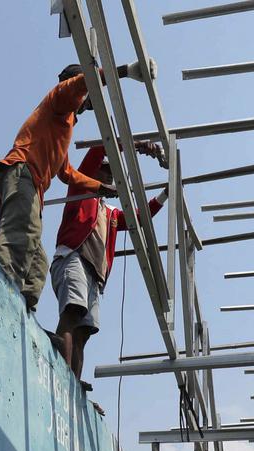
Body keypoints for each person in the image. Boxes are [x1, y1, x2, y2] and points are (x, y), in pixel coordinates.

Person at [0, 64, 124, 312]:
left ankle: (21, 310)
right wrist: (126, 71)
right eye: (86, 95)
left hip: (31, 186)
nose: (87, 102)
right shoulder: (60, 99)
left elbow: (66, 173)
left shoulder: (62, 125)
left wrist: (99, 187)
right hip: (22, 173)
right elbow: (81, 83)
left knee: (37, 263)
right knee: (20, 237)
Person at [51, 144, 168, 391]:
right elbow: (97, 150)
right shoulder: (80, 189)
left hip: (94, 274)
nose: (109, 177)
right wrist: (136, 146)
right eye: (105, 171)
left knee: (83, 332)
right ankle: (59, 370)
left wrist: (164, 195)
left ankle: (73, 382)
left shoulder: (111, 212)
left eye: (111, 174)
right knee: (72, 313)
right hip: (74, 257)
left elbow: (138, 217)